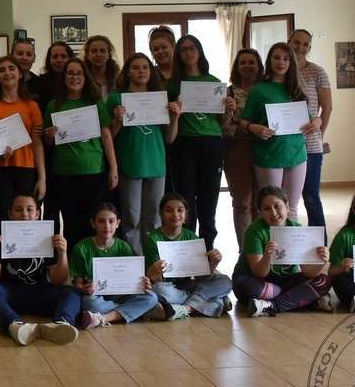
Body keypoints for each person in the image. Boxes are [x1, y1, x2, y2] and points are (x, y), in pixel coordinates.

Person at [0, 194, 80, 346]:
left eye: (29, 209)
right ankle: (14, 325)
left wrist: (62, 253)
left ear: (37, 214)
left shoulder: (48, 237)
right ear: (10, 214)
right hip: (10, 293)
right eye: (18, 210)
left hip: (40, 292)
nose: (24, 214)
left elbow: (59, 280)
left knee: (73, 292)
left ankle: (61, 324)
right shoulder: (1, 237)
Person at [107, 53, 177, 255]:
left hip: (156, 164)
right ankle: (135, 261)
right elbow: (109, 135)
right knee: (131, 217)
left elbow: (170, 138)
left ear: (151, 71)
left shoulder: (160, 98)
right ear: (127, 72)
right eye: (135, 67)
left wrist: (175, 117)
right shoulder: (116, 98)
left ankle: (153, 259)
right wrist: (117, 120)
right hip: (130, 163)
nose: (141, 71)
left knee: (154, 218)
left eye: (145, 67)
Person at [236, 42, 314, 220]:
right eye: (277, 58)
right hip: (268, 155)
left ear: (291, 62)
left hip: (297, 154)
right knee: (270, 209)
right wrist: (254, 128)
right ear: (269, 60)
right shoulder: (259, 90)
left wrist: (317, 121)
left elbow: (309, 119)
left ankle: (289, 240)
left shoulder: (296, 89)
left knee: (291, 209)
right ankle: (268, 240)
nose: (281, 62)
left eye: (286, 59)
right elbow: (243, 121)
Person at [43, 58, 116, 246]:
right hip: (64, 172)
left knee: (92, 222)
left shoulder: (95, 103)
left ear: (85, 77)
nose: (74, 77)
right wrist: (49, 135)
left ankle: (91, 260)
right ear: (64, 77)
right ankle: (74, 261)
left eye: (79, 73)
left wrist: (114, 169)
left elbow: (106, 135)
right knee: (71, 222)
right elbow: (48, 141)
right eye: (70, 73)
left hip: (94, 170)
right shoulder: (54, 105)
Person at [234, 185, 333, 317]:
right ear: (260, 212)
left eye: (277, 206)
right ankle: (300, 299)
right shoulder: (254, 231)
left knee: (323, 280)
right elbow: (259, 272)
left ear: (287, 207)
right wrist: (267, 256)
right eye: (266, 209)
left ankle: (271, 306)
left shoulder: (297, 230)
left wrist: (322, 261)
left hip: (285, 281)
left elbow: (309, 272)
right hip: (257, 280)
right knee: (246, 286)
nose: (273, 213)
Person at [168, 35, 226, 249]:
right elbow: (169, 121)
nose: (188, 53)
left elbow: (222, 123)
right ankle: (188, 248)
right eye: (183, 50)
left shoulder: (214, 82)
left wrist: (229, 110)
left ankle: (208, 248)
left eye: (192, 48)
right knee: (185, 200)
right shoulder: (173, 85)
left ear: (199, 51)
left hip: (212, 143)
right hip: (184, 144)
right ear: (178, 55)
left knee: (209, 199)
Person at [0, 55, 46, 222]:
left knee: (28, 220)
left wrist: (42, 178)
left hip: (27, 169)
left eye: (11, 68)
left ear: (20, 74)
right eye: (2, 70)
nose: (7, 73)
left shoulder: (31, 105)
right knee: (3, 218)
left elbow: (37, 144)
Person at [69, 204, 159, 328]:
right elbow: (77, 284)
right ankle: (134, 311)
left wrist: (143, 283)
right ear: (93, 223)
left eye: (111, 221)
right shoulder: (81, 248)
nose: (107, 226)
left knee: (151, 297)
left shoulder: (124, 247)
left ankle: (103, 318)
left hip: (122, 294)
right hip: (97, 296)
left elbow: (132, 279)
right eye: (101, 221)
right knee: (89, 303)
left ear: (118, 223)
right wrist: (84, 288)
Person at [144, 194, 233, 319]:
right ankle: (215, 302)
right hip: (169, 287)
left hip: (190, 284)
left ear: (186, 214)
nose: (175, 214)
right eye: (169, 210)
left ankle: (186, 308)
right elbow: (152, 279)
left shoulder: (192, 237)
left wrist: (213, 263)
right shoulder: (153, 239)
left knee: (225, 281)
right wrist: (155, 270)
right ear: (161, 214)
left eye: (180, 210)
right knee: (159, 290)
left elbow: (201, 277)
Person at [290, 29, 334, 232]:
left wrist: (319, 132)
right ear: (289, 42)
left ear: (309, 48)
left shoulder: (317, 72)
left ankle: (320, 244)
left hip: (310, 145)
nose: (300, 47)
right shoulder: (279, 70)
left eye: (305, 44)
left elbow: (328, 108)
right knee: (284, 199)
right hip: (283, 144)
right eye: (296, 42)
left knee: (310, 197)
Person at [222, 49, 264, 247]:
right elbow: (223, 127)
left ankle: (260, 248)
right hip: (236, 149)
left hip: (265, 148)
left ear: (259, 65)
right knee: (242, 202)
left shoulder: (266, 90)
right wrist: (229, 114)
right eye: (243, 62)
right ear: (237, 67)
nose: (247, 66)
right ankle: (246, 250)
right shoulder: (227, 93)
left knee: (262, 201)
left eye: (251, 62)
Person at [29, 41, 74, 113]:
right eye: (55, 57)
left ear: (70, 59)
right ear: (49, 60)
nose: (59, 60)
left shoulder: (77, 81)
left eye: (63, 56)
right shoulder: (40, 82)